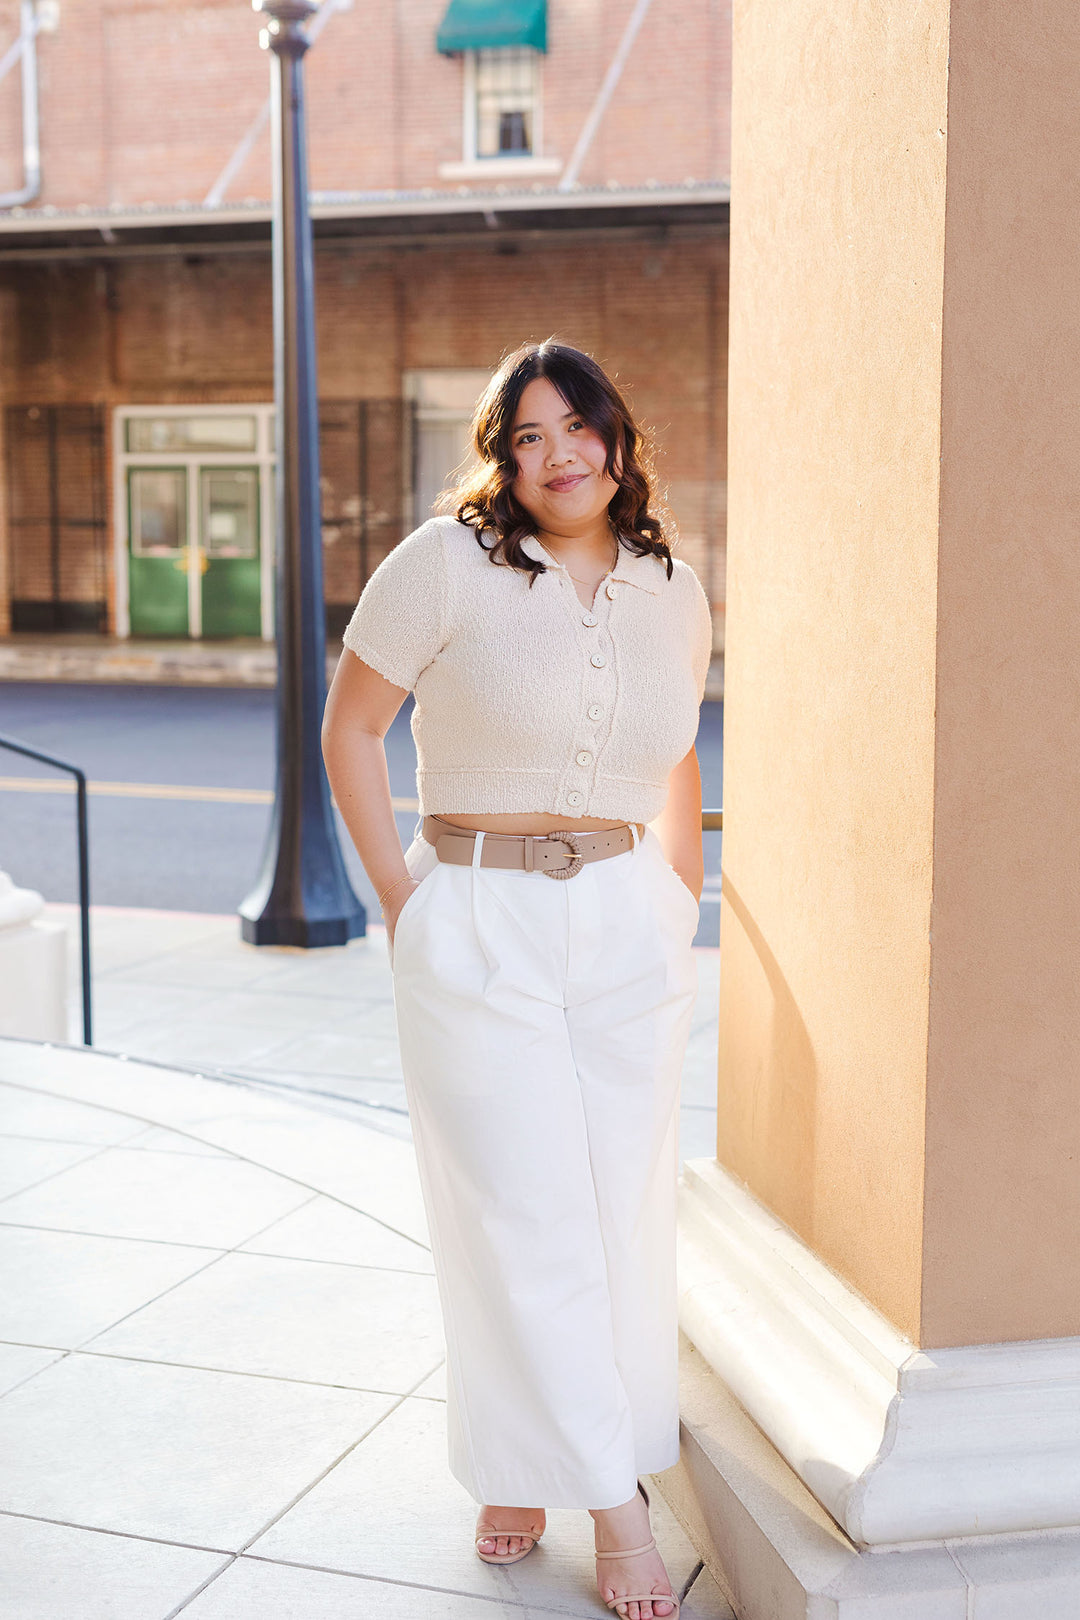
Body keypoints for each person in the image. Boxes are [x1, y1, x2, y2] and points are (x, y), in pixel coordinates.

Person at [322, 339, 711, 1620]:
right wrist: (400, 895)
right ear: (502, 454)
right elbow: (352, 726)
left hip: (625, 922)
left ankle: (516, 1462)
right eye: (528, 437)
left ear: (618, 433)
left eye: (578, 427)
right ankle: (616, 1505)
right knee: (523, 1216)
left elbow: (675, 755)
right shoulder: (443, 565)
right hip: (476, 911)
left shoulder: (671, 584)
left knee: (613, 1215)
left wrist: (677, 897)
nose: (559, 456)